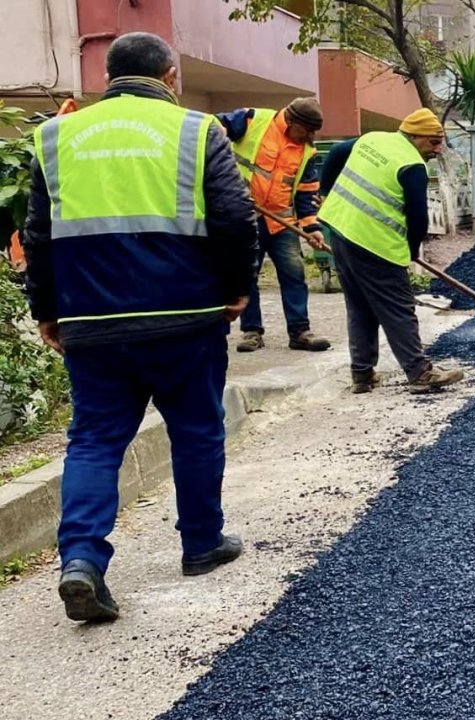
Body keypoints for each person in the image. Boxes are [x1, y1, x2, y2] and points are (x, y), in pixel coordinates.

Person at [23, 32, 258, 622]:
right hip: (183, 318)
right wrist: (237, 288)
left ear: (108, 75)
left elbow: (38, 237)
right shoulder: (197, 131)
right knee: (198, 429)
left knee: (96, 440)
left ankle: (80, 559)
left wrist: (47, 312)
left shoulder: (55, 136)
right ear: (170, 75)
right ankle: (202, 543)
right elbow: (234, 219)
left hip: (93, 323)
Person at [317, 109, 464, 394]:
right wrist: (409, 251)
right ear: (413, 135)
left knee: (360, 305)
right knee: (398, 308)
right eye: (432, 142)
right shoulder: (411, 165)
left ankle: (362, 374)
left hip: (340, 230)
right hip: (374, 242)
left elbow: (335, 152)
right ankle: (419, 372)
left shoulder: (372, 140)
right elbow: (419, 219)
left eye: (439, 142)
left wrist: (326, 191)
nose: (436, 149)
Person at [215, 99, 331, 353]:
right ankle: (251, 332)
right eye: (307, 130)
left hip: (282, 223)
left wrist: (312, 227)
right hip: (245, 216)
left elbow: (305, 192)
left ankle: (300, 331)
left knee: (294, 275)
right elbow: (212, 127)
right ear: (290, 121)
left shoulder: (307, 151)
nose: (311, 136)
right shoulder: (253, 120)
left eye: (314, 131)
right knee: (248, 276)